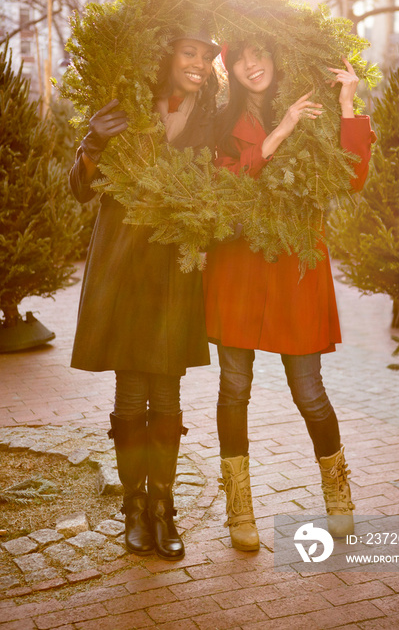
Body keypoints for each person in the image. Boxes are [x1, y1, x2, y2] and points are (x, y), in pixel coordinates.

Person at [203, 42, 376, 551]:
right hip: (238, 268)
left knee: (309, 392)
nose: (252, 64)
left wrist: (346, 104)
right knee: (234, 389)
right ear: (229, 69)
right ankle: (240, 511)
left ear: (277, 57)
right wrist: (280, 134)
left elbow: (352, 176)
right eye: (240, 58)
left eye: (261, 53)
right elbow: (220, 187)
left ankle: (339, 498)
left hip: (295, 269)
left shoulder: (311, 106)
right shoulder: (218, 122)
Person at [70, 32, 220, 560]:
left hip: (174, 269)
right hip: (124, 265)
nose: (199, 63)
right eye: (190, 53)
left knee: (168, 391)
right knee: (131, 392)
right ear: (167, 56)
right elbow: (81, 188)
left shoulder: (212, 115)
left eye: (207, 56)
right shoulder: (126, 101)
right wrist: (92, 145)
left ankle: (163, 506)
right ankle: (134, 508)